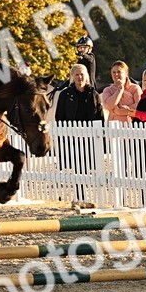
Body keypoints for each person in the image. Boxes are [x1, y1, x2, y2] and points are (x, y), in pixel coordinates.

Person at [54, 63, 104, 200]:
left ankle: (86, 194)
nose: (79, 77)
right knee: (76, 167)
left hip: (90, 137)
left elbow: (100, 116)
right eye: (77, 74)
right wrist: (63, 136)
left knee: (87, 166)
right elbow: (59, 116)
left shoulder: (93, 93)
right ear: (72, 76)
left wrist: (101, 136)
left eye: (82, 74)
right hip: (72, 137)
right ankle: (80, 194)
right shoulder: (65, 94)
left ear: (86, 76)